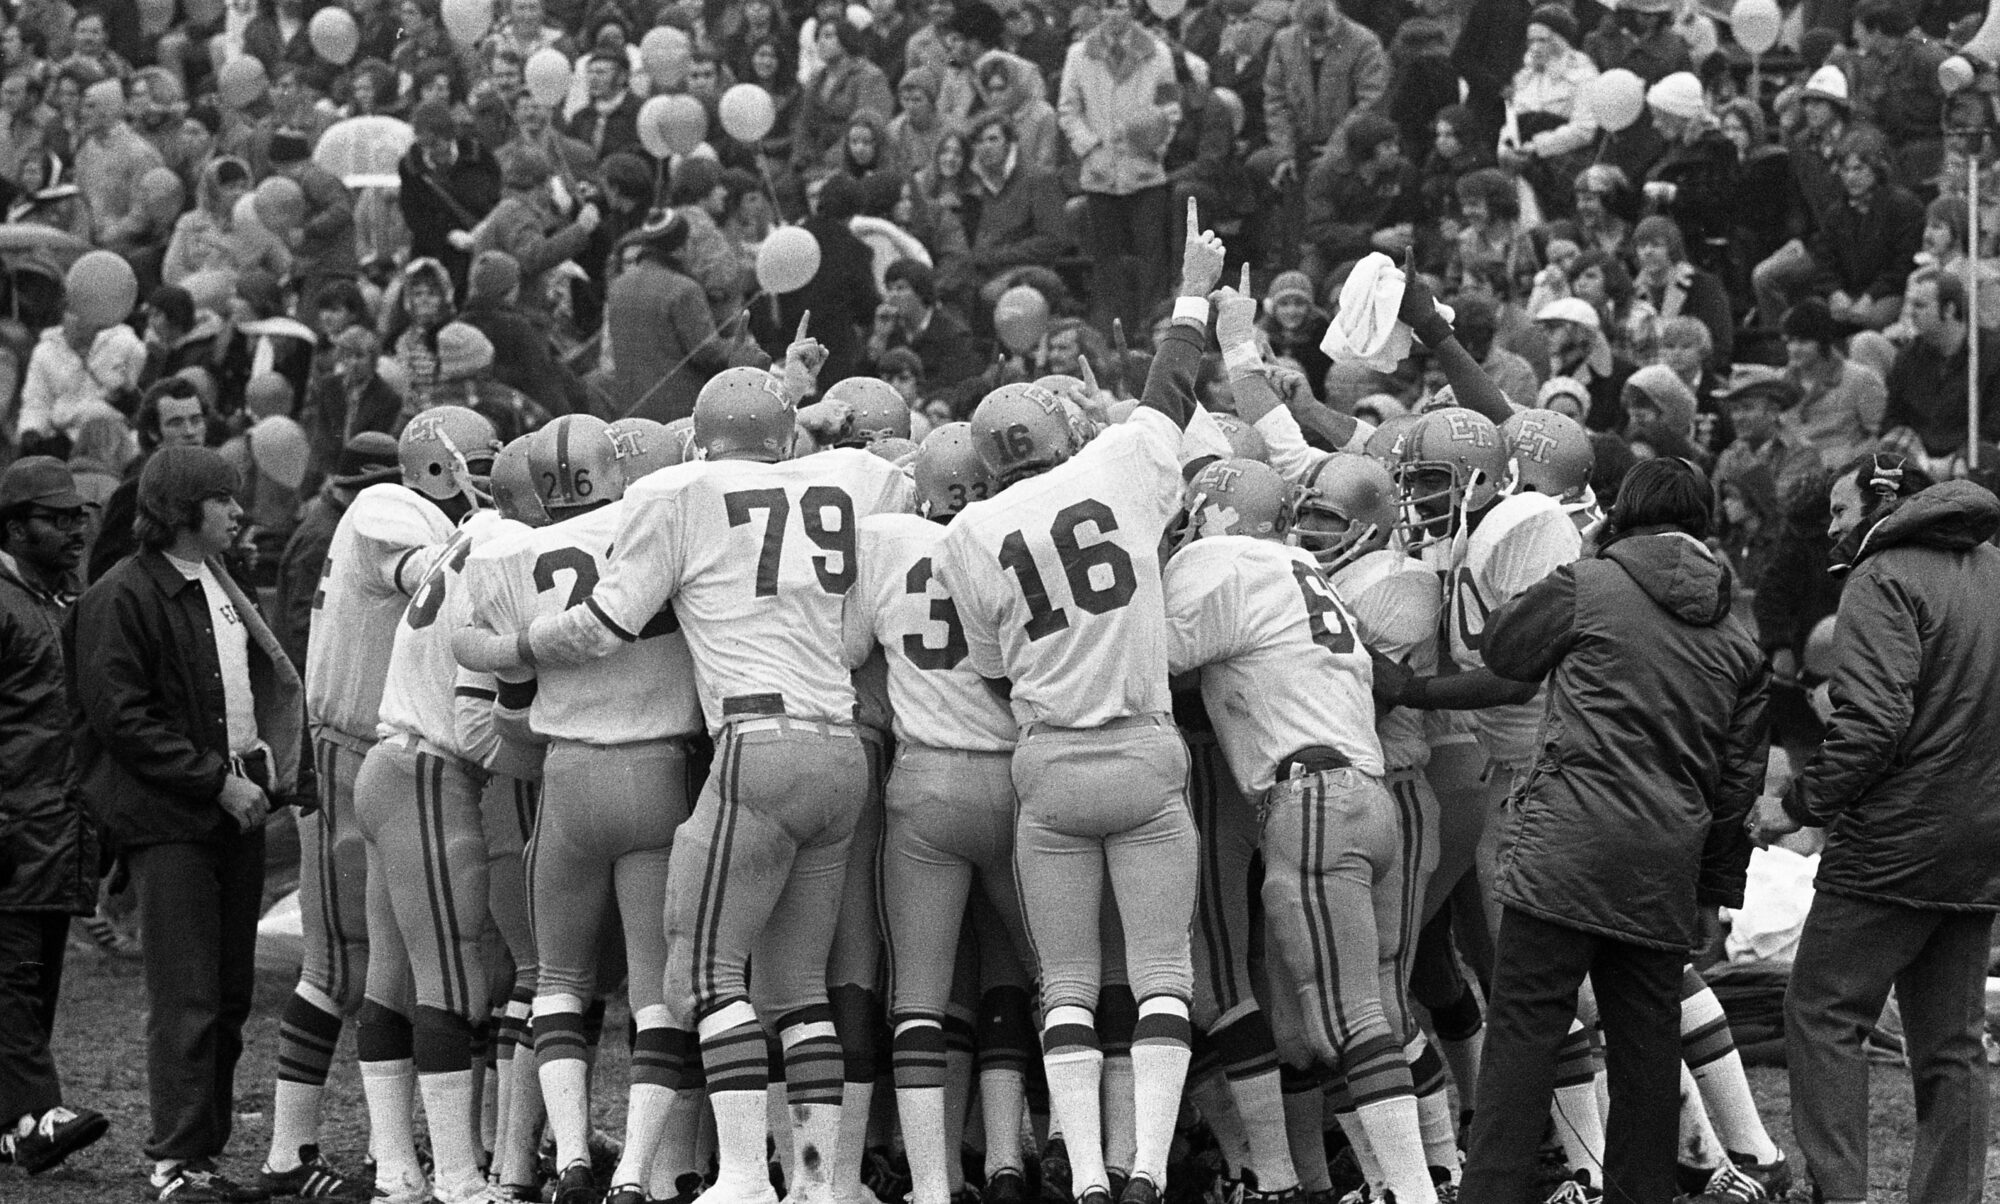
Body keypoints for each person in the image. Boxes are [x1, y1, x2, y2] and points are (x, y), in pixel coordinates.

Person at [454, 341, 914, 1204]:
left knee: (698, 975)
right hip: (840, 748)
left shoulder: (678, 493)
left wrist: (503, 645)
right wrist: (805, 407)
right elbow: (884, 480)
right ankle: (817, 1183)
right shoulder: (850, 482)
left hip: (756, 744)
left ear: (701, 442)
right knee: (798, 989)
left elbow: (599, 628)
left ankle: (741, 1178)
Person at [932, 202, 1226, 1204]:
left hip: (1049, 759)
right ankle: (1147, 1169)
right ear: (1064, 431)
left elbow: (989, 668)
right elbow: (1169, 385)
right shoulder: (1114, 463)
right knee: (1161, 972)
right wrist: (1193, 288)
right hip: (1141, 748)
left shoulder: (968, 531)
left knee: (1064, 983)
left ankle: (1090, 1176)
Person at [1463, 457, 1768, 1204]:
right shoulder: (1738, 640)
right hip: (1665, 863)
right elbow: (1738, 786)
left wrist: (1585, 554)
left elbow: (1503, 649)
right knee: (1647, 1057)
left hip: (1564, 849)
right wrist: (1713, 893)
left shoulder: (1588, 583)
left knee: (1522, 1043)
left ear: (1620, 518)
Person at [66, 445, 312, 1203]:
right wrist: (215, 782)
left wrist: (261, 775)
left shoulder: (219, 581)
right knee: (187, 996)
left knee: (228, 994)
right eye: (222, 499)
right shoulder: (121, 595)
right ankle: (174, 1163)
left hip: (232, 808)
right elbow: (121, 718)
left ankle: (200, 1156)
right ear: (180, 509)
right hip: (171, 817)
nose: (239, 511)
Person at [1752, 462, 2000, 1204]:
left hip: (1894, 839)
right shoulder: (1994, 569)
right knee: (1953, 1044)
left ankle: (1840, 1194)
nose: (1832, 527)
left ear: (1884, 503)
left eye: (1839, 510)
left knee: (1822, 1011)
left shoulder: (1881, 575)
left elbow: (1873, 725)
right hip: (1981, 837)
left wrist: (1797, 805)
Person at [0, 456, 109, 1179]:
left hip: (59, 826)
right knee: (10, 977)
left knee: (35, 979)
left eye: (79, 517)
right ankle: (39, 1113)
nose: (74, 530)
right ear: (15, 527)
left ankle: (12, 1126)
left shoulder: (65, 597)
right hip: (14, 825)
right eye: (57, 518)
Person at [1058, 0, 1180, 335]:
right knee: (1106, 258)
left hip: (1145, 173)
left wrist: (1153, 148)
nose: (1115, 14)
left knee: (1151, 256)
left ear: (1133, 10)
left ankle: (1152, 328)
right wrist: (1090, 148)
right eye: (1109, 7)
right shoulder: (1079, 54)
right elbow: (1068, 110)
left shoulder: (1158, 53)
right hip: (1099, 173)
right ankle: (1111, 329)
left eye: (1122, 7)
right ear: (1100, 11)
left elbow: (1170, 109)